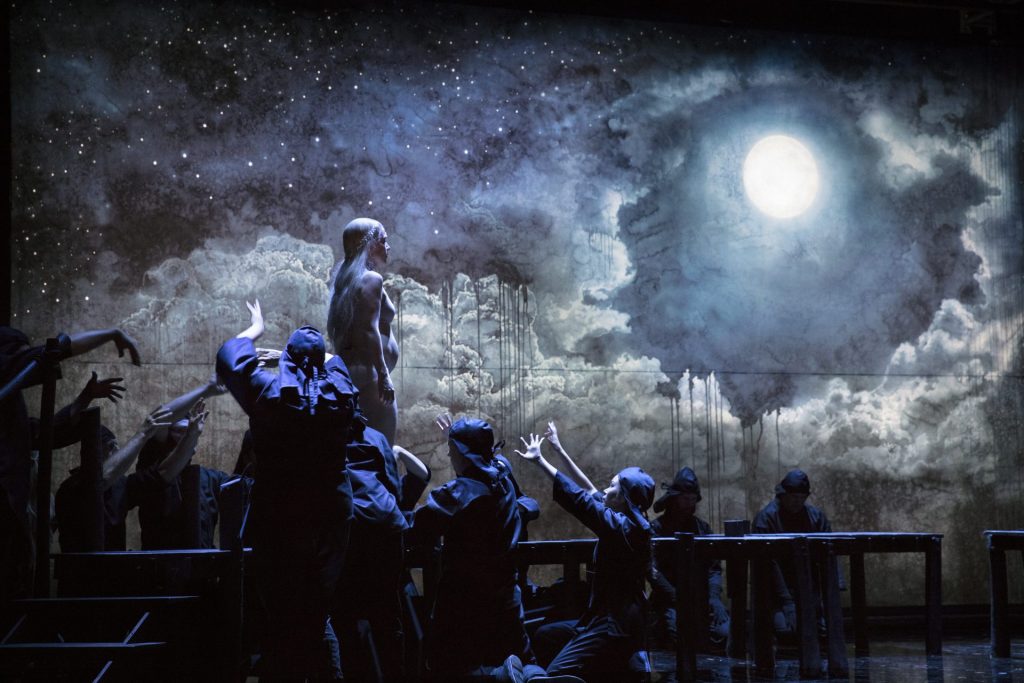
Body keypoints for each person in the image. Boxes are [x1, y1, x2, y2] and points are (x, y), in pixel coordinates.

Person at [217, 300, 358, 681]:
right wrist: (298, 357)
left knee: (281, 618)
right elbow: (332, 363)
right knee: (316, 615)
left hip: (279, 517)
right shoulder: (342, 396)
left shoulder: (267, 391)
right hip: (331, 518)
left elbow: (228, 358)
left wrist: (257, 331)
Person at [0, 325, 140, 601]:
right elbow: (56, 351)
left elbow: (48, 431)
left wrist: (86, 396)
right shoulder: (6, 374)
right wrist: (111, 334)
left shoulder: (10, 414)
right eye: (20, 354)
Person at [513, 428, 655, 683]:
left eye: (611, 486)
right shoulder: (627, 521)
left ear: (624, 498)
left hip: (615, 624)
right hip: (604, 616)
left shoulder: (623, 528)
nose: (605, 490)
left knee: (556, 674)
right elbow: (588, 489)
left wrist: (541, 461)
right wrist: (558, 449)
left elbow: (581, 499)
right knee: (545, 635)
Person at [405, 415, 535, 681]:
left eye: (451, 450)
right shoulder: (503, 478)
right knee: (523, 662)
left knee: (453, 669)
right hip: (507, 598)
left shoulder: (460, 493)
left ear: (461, 452)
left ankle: (499, 678)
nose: (449, 456)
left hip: (466, 605)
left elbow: (416, 528)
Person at [333, 419, 430, 683]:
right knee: (388, 616)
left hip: (350, 527)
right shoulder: (376, 437)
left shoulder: (323, 434)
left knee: (344, 615)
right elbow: (394, 488)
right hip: (386, 527)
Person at [55, 403, 203, 552]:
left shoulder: (120, 486)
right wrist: (143, 434)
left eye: (116, 446)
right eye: (111, 446)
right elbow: (98, 482)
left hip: (114, 567)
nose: (117, 450)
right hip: (80, 566)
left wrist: (190, 438)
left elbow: (160, 475)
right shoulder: (72, 488)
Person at [135, 375, 235, 550]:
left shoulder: (207, 479)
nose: (187, 437)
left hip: (202, 565)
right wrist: (207, 389)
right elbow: (159, 420)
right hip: (159, 564)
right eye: (179, 432)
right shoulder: (153, 468)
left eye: (191, 432)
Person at [327, 217, 398, 444]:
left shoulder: (345, 281)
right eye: (383, 241)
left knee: (360, 446)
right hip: (371, 377)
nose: (388, 247)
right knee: (383, 446)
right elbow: (368, 329)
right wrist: (384, 376)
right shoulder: (370, 279)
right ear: (370, 244)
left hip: (357, 376)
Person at [649, 467, 729, 652]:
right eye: (685, 499)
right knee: (680, 635)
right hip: (670, 601)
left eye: (693, 500)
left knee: (724, 632)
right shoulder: (657, 529)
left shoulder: (702, 528)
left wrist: (714, 598)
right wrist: (676, 597)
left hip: (701, 600)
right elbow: (653, 571)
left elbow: (714, 569)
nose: (690, 505)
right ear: (675, 499)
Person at [752, 469, 832, 640]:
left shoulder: (815, 517)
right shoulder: (766, 519)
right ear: (783, 495)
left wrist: (829, 595)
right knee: (788, 630)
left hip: (808, 590)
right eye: (794, 497)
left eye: (802, 497)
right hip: (775, 595)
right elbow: (768, 567)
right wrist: (786, 602)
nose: (798, 502)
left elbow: (828, 555)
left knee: (823, 631)